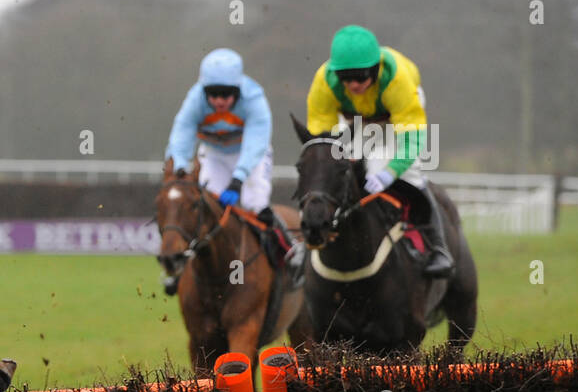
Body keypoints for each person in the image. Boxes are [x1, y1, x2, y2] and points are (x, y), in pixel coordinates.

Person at [306, 24, 453, 278]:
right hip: (358, 119)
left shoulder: (396, 79)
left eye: (361, 77)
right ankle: (309, 246)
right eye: (346, 78)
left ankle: (437, 247)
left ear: (375, 69)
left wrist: (390, 173)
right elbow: (322, 136)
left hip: (397, 117)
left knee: (408, 174)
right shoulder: (324, 82)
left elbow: (413, 137)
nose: (353, 84)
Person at [164, 48, 296, 277]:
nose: (218, 101)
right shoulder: (195, 99)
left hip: (250, 155)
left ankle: (288, 254)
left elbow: (256, 143)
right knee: (207, 209)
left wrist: (238, 179)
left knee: (255, 203)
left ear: (237, 91)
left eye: (225, 95)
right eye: (213, 95)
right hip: (214, 154)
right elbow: (181, 136)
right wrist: (180, 169)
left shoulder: (254, 99)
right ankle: (181, 272)